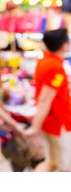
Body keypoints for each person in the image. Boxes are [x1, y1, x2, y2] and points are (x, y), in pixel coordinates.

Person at [26, 29, 71, 172]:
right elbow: (45, 99)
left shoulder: (45, 60)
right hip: (58, 122)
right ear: (64, 45)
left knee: (52, 162)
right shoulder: (55, 68)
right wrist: (35, 127)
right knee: (64, 166)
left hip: (51, 121)